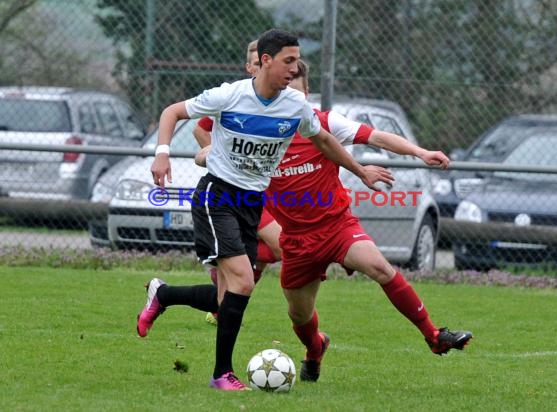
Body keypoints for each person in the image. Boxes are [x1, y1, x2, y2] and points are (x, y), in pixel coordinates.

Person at [138, 28, 391, 391]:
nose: (295, 68)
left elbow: (323, 139)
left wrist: (361, 170)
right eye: (288, 61)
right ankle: (221, 374)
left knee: (228, 296)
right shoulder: (231, 95)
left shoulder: (295, 106)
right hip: (218, 197)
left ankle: (164, 295)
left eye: (297, 61)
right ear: (266, 61)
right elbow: (172, 112)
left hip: (251, 203)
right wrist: (162, 155)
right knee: (243, 280)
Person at [195, 60, 473, 383]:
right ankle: (315, 349)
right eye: (283, 94)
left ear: (308, 95)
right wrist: (208, 155)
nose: (290, 104)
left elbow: (377, 137)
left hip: (338, 227)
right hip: (297, 241)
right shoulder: (263, 134)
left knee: (381, 267)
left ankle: (434, 335)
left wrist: (421, 152)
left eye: (296, 97)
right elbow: (208, 136)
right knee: (299, 315)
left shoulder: (324, 123)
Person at [192, 39, 282, 325]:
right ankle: (227, 294)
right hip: (235, 190)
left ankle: (176, 296)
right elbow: (199, 128)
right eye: (256, 65)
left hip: (265, 190)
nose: (262, 69)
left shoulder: (284, 103)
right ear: (250, 67)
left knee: (261, 257)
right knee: (279, 247)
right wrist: (217, 154)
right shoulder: (233, 97)